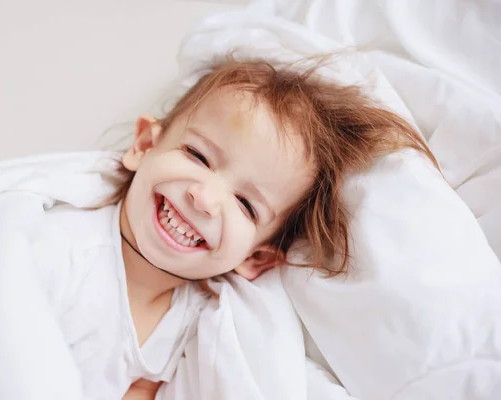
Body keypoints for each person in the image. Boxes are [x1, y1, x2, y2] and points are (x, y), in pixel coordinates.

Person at [110, 58, 437, 398]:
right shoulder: (66, 234)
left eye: (246, 205)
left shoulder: (185, 328)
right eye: (198, 156)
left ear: (256, 258)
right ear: (145, 145)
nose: (205, 198)